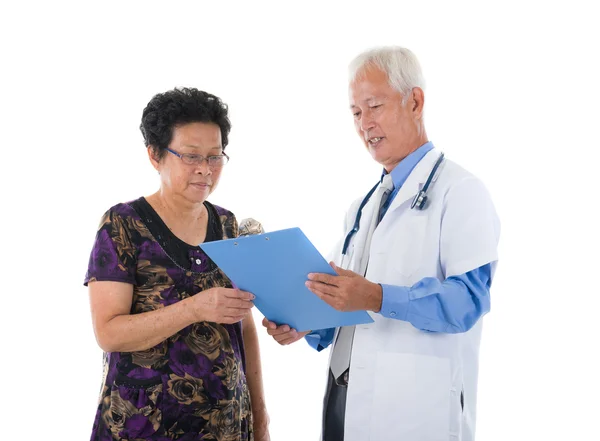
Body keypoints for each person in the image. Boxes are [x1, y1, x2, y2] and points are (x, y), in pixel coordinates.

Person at [263, 46, 500, 441]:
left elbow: (467, 303)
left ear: (415, 101)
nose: (364, 124)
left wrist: (375, 296)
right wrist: (304, 323)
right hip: (345, 403)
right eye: (356, 113)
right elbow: (344, 301)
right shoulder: (364, 204)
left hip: (413, 410)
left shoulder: (461, 192)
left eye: (374, 106)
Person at [84, 87, 270, 441]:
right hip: (141, 423)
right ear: (155, 155)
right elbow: (108, 332)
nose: (205, 169)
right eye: (190, 156)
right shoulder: (123, 225)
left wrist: (259, 416)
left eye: (215, 157)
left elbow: (245, 329)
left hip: (227, 423)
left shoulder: (230, 226)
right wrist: (195, 308)